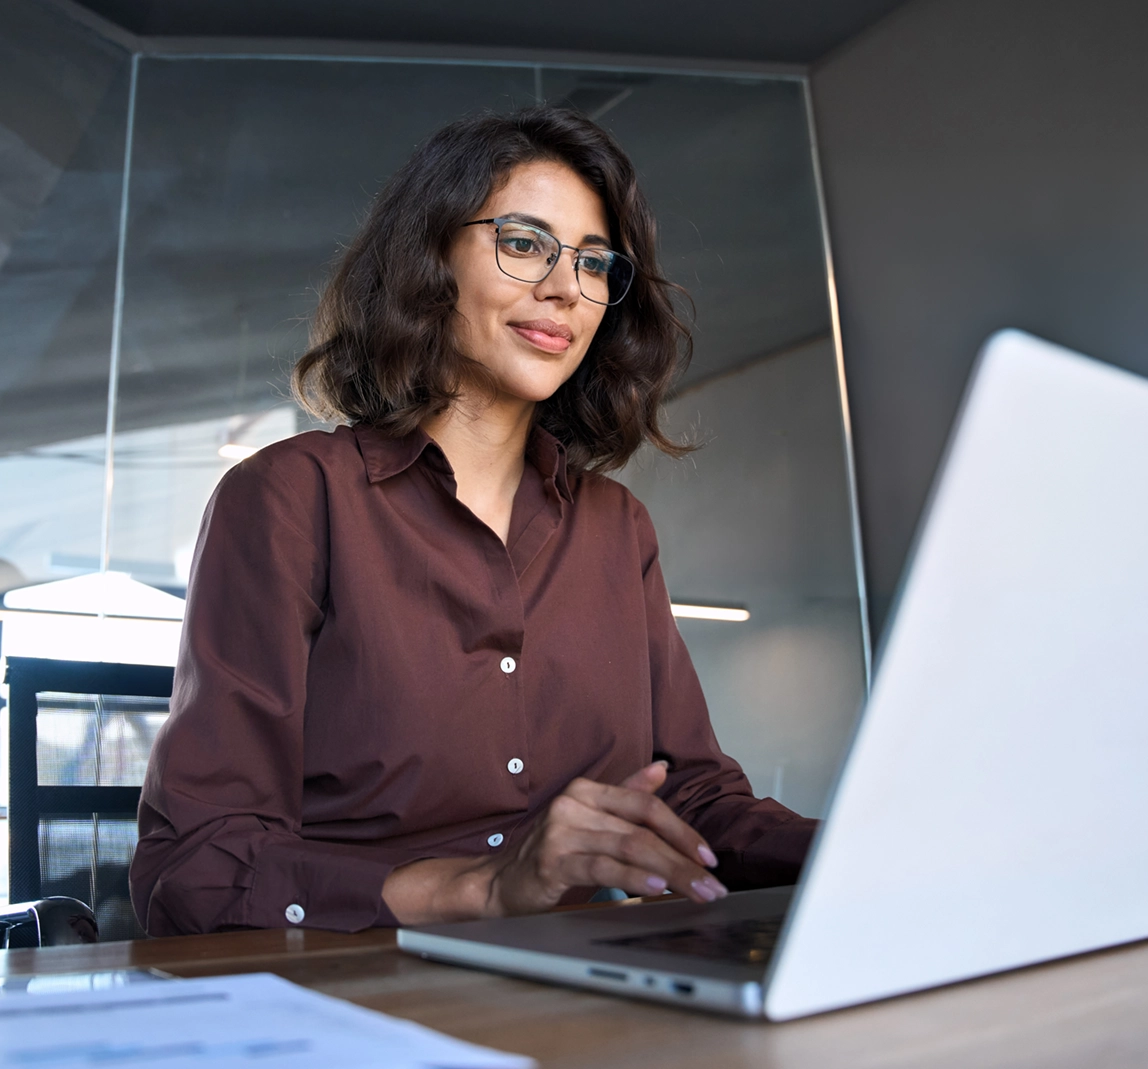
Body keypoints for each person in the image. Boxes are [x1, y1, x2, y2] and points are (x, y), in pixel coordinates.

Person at [130, 105, 817, 936]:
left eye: (595, 263)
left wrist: (866, 846)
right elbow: (195, 867)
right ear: (430, 259)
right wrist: (481, 887)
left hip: (594, 984)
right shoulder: (289, 500)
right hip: (363, 985)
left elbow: (693, 798)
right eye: (524, 243)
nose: (566, 288)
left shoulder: (617, 527)